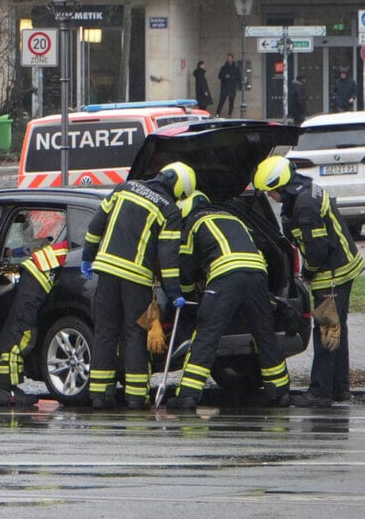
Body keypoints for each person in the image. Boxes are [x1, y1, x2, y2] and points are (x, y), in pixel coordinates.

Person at [81, 161, 195, 409]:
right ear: (178, 189)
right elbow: (168, 257)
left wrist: (88, 257)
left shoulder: (124, 187)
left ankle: (99, 395)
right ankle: (135, 398)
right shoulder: (169, 211)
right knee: (135, 334)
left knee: (105, 332)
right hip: (136, 278)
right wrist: (174, 292)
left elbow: (95, 226)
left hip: (107, 272)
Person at [252, 156, 364, 407]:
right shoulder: (306, 189)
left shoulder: (304, 207)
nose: (271, 196)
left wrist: (308, 273)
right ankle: (339, 389)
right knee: (336, 330)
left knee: (326, 331)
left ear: (280, 185)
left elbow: (316, 250)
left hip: (331, 273)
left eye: (271, 191)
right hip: (343, 266)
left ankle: (320, 392)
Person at [167, 190, 290, 409]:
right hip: (257, 272)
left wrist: (186, 297)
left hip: (227, 276)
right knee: (264, 333)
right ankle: (279, 392)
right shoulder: (233, 217)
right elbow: (260, 245)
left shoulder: (193, 223)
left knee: (207, 334)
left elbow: (185, 267)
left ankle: (187, 395)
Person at [0, 242, 68, 408]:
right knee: (23, 333)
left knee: (11, 330)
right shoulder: (93, 242)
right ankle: (7, 391)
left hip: (34, 270)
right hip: (39, 275)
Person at [215, 53, 241, 118]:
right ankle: (217, 113)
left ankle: (229, 114)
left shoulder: (236, 68)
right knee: (221, 101)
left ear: (232, 59)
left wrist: (232, 78)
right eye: (227, 58)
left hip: (232, 87)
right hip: (225, 87)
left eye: (229, 58)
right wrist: (225, 76)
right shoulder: (223, 68)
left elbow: (238, 78)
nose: (228, 59)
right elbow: (220, 76)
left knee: (231, 102)